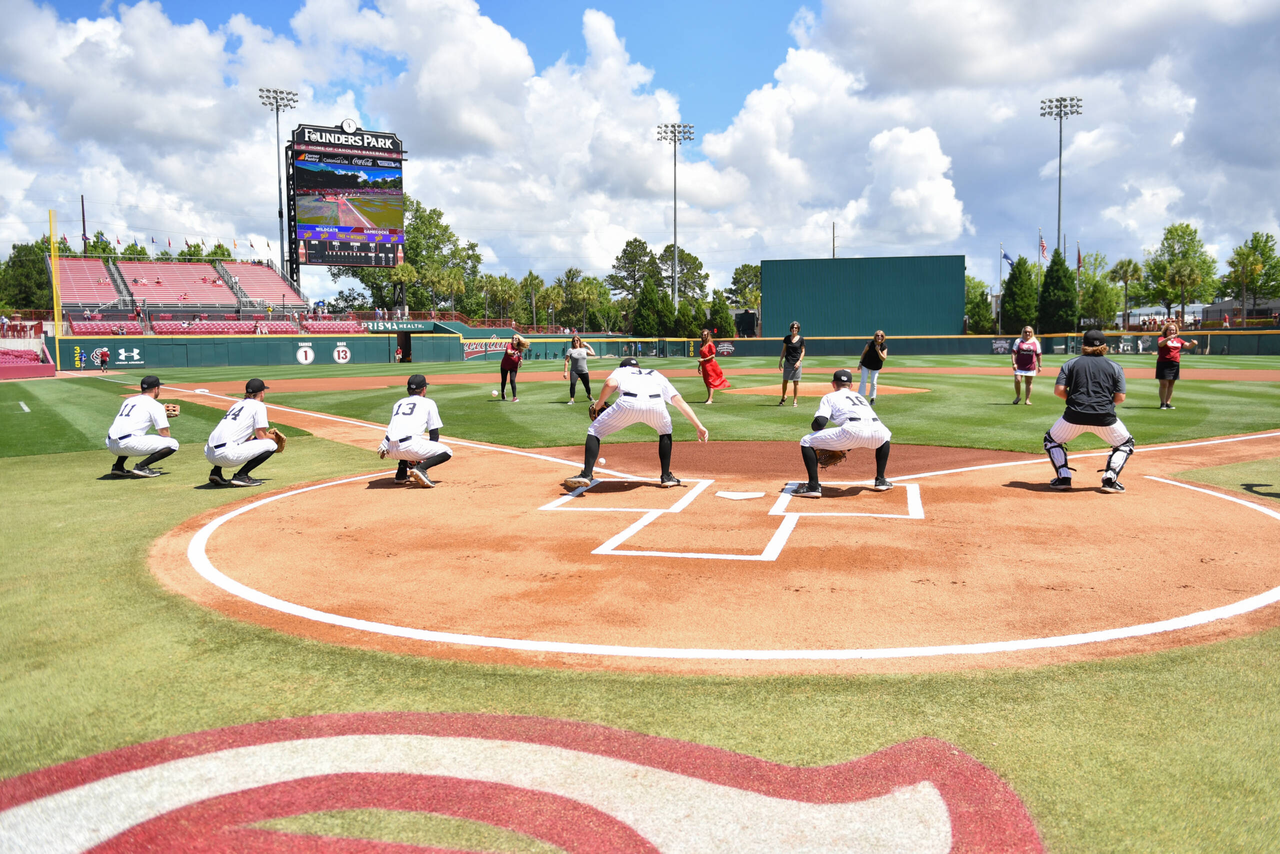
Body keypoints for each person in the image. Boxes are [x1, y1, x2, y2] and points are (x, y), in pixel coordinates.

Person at [562, 357, 709, 490]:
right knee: (665, 431)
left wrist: (599, 404)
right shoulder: (655, 373)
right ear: (638, 367)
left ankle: (587, 474)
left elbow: (610, 383)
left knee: (595, 431)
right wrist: (698, 425)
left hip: (628, 404)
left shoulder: (622, 371)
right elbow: (678, 401)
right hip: (656, 405)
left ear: (623, 366)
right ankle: (666, 477)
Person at [1043, 329, 1133, 493]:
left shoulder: (1071, 364)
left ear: (1083, 345)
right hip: (1105, 418)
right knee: (1125, 443)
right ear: (1105, 346)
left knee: (1051, 440)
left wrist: (1072, 400)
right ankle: (1110, 479)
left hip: (1073, 416)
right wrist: (1105, 405)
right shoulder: (1115, 367)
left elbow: (1059, 390)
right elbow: (1120, 397)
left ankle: (1063, 477)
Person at [791, 369, 893, 499]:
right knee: (885, 435)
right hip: (879, 432)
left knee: (806, 441)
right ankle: (881, 480)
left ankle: (813, 486)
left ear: (834, 384)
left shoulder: (830, 397)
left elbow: (820, 422)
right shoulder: (859, 396)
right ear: (851, 386)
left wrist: (819, 431)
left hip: (852, 431)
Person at [378, 374, 453, 488]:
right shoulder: (429, 403)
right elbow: (434, 435)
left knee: (405, 435)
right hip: (409, 448)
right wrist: (424, 459)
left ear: (408, 390)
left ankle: (401, 473)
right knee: (447, 451)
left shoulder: (399, 403)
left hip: (387, 448)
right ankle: (421, 469)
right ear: (424, 389)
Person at [204, 378, 278, 487]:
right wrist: (273, 437)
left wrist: (254, 439)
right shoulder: (259, 406)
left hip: (209, 453)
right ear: (262, 393)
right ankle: (241, 475)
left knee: (232, 441)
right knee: (271, 445)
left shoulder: (237, 404)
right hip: (226, 456)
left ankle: (216, 472)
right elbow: (261, 436)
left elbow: (246, 437)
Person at [104, 375, 179, 478]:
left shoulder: (129, 401)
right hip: (128, 445)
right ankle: (142, 467)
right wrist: (163, 418)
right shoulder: (155, 405)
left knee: (131, 433)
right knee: (173, 444)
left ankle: (118, 466)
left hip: (111, 444)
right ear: (156, 389)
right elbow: (165, 434)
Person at [1156, 321, 1197, 410]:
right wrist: (1168, 338)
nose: (1172, 332)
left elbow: (1188, 346)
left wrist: (1193, 343)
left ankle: (1168, 403)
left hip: (1174, 363)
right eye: (1170, 330)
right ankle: (1162, 403)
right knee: (1163, 383)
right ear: (1166, 331)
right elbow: (1160, 344)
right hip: (1163, 363)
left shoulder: (1179, 340)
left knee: (1171, 384)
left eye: (1174, 330)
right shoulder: (1161, 338)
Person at [1010, 326, 1042, 405]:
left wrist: (1040, 365)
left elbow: (1039, 354)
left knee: (1029, 382)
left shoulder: (1035, 341)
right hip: (1019, 365)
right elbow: (1014, 353)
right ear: (1023, 333)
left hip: (1030, 365)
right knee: (1018, 380)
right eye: (1026, 332)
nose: (1027, 333)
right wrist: (1014, 363)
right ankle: (1018, 396)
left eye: (1029, 332)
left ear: (1032, 333)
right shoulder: (1018, 341)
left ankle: (1027, 400)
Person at [697, 328, 731, 403]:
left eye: (705, 335)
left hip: (710, 365)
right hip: (704, 365)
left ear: (708, 335)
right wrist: (699, 366)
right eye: (703, 335)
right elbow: (702, 356)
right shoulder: (702, 344)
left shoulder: (710, 344)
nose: (703, 336)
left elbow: (713, 355)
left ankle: (710, 399)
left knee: (710, 381)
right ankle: (709, 397)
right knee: (706, 381)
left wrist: (704, 360)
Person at [563, 335, 597, 404]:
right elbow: (567, 361)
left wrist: (587, 345)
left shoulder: (584, 350)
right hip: (574, 371)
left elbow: (593, 354)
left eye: (577, 340)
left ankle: (589, 395)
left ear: (579, 341)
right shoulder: (570, 350)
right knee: (572, 384)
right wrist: (565, 372)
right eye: (574, 341)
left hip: (584, 370)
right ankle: (572, 399)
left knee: (587, 385)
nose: (575, 342)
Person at [778, 321, 805, 406]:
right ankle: (783, 397)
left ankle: (795, 400)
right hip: (788, 362)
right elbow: (784, 350)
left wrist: (799, 361)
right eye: (793, 327)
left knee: (795, 382)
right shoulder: (787, 338)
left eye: (796, 328)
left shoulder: (801, 339)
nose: (794, 329)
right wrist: (780, 361)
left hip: (796, 362)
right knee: (785, 380)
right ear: (790, 329)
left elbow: (803, 351)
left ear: (798, 329)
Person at [858, 330, 888, 405]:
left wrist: (878, 351)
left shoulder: (883, 347)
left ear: (883, 337)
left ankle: (872, 399)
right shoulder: (870, 344)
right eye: (877, 335)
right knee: (863, 381)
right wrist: (860, 363)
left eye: (881, 335)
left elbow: (883, 358)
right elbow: (863, 353)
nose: (879, 337)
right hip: (866, 365)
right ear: (875, 336)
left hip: (876, 367)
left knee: (873, 382)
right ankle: (861, 398)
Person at [499, 334, 528, 401]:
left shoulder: (519, 348)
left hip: (514, 366)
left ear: (518, 340)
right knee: (504, 380)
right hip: (505, 365)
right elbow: (509, 352)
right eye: (513, 338)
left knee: (512, 380)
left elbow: (520, 355)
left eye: (515, 338)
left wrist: (521, 360)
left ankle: (514, 397)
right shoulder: (509, 345)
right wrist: (514, 353)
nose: (513, 339)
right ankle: (503, 392)